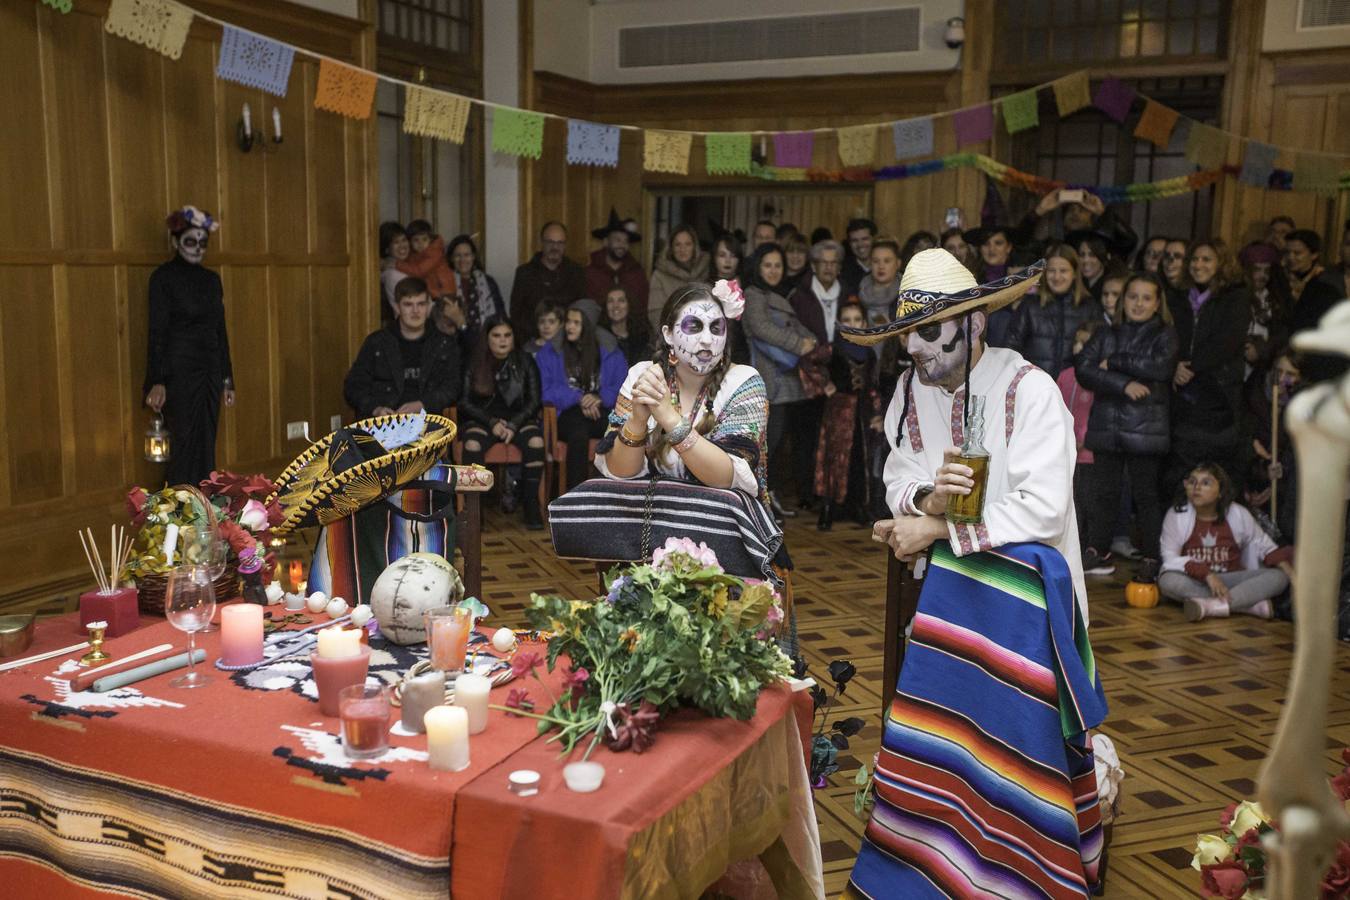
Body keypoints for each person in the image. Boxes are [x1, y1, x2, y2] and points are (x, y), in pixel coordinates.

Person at [848, 248, 1105, 899]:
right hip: (947, 592)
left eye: (932, 335)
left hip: (1029, 596)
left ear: (977, 324)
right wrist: (923, 503)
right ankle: (929, 843)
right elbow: (897, 475)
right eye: (908, 338)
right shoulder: (911, 390)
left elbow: (1044, 511)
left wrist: (937, 530)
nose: (919, 353)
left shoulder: (1031, 391)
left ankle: (1019, 854)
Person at [595, 280, 773, 516]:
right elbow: (619, 473)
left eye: (716, 328)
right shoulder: (644, 376)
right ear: (668, 334)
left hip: (726, 528)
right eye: (694, 326)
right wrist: (637, 420)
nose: (707, 339)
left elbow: (724, 477)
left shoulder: (743, 382)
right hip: (652, 525)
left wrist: (669, 418)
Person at [1075, 272, 1179, 577]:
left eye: (1146, 298)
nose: (1138, 303)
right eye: (1132, 297)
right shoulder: (1107, 332)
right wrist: (1124, 385)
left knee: (1145, 496)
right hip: (1107, 426)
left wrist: (1116, 361)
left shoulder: (1165, 333)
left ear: (1158, 303)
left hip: (1146, 429)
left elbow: (1161, 367)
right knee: (1103, 494)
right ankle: (1098, 549)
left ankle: (1151, 557)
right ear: (1123, 301)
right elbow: (1083, 368)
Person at [143, 205, 235, 487]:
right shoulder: (163, 278)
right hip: (179, 373)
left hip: (209, 371)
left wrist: (227, 380)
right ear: (175, 241)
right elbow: (157, 332)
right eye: (190, 242)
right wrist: (156, 381)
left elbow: (220, 331)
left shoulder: (211, 280)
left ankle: (204, 506)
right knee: (182, 444)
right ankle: (179, 509)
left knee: (207, 442)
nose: (197, 249)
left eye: (202, 243)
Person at [1164, 240, 1252, 494]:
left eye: (1206, 259)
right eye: (1194, 260)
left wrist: (1190, 367)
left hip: (1218, 396)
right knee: (1180, 472)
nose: (1198, 265)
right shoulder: (1177, 296)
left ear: (1221, 263)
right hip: (1183, 397)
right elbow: (1169, 335)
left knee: (1217, 473)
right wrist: (1175, 365)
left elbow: (1228, 340)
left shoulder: (1235, 296)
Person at [1160, 462, 1294, 621]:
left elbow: (1266, 548)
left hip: (1232, 580)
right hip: (1198, 581)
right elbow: (1170, 559)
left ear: (1221, 491)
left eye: (1206, 483)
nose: (1196, 487)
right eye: (1192, 482)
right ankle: (1246, 605)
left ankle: (1211, 607)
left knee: (1279, 577)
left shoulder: (1238, 513)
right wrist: (1207, 575)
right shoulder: (1176, 515)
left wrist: (1293, 578)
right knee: (1167, 580)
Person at [741, 243, 817, 519]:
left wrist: (814, 341)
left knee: (775, 446)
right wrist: (800, 344)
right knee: (765, 446)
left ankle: (767, 497)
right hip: (767, 381)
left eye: (778, 265)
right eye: (768, 265)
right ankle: (758, 503)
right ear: (758, 267)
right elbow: (761, 328)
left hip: (783, 381)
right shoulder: (753, 294)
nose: (773, 270)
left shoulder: (775, 294)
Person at [459, 316, 545, 529]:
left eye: (507, 335)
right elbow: (463, 402)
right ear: (487, 338)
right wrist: (492, 422)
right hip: (482, 420)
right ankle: (474, 510)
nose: (502, 340)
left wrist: (513, 424)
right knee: (472, 445)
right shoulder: (474, 360)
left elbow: (535, 401)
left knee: (536, 442)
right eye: (496, 336)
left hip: (519, 419)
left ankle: (531, 505)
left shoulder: (525, 360)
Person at [535, 300, 627, 491]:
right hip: (566, 413)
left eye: (576, 323)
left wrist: (600, 396)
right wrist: (579, 398)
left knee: (616, 431)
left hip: (601, 409)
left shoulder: (610, 351)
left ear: (588, 326)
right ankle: (575, 498)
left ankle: (608, 495)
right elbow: (544, 390)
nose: (569, 326)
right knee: (578, 434)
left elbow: (624, 386)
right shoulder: (550, 351)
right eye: (568, 321)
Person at [344, 277, 461, 419]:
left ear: (428, 306)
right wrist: (375, 408)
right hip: (385, 423)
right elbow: (353, 386)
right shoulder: (377, 342)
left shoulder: (444, 344)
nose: (415, 311)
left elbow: (453, 387)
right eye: (408, 304)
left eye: (421, 304)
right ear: (397, 306)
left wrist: (423, 404)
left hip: (428, 423)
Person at [814, 301, 878, 531]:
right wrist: (825, 384)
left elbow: (872, 383)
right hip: (839, 411)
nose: (853, 325)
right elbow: (808, 361)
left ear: (864, 323)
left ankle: (857, 507)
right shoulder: (833, 349)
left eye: (857, 320)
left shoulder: (869, 352)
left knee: (859, 460)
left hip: (861, 412)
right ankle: (828, 508)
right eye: (847, 320)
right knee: (835, 459)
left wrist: (876, 410)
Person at [1005, 243, 1104, 376]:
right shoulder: (1030, 305)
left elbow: (1099, 350)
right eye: (1052, 271)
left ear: (1075, 273)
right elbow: (1011, 349)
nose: (1057, 277)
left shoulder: (1089, 307)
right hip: (1036, 388)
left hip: (1074, 389)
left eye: (1063, 271)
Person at [1059, 320, 1101, 543]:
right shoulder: (1065, 375)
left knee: (1088, 502)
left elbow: (1097, 413)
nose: (1078, 347)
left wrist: (1084, 439)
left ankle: (1087, 545)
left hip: (1088, 454)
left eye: (1085, 343)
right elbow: (1057, 411)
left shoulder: (1097, 379)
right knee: (1069, 500)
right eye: (1076, 342)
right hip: (1066, 453)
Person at [510, 221, 586, 341]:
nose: (555, 247)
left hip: (569, 344)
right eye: (550, 242)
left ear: (565, 245)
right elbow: (516, 314)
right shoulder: (524, 273)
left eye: (560, 243)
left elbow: (582, 311)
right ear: (542, 243)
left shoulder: (577, 273)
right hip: (532, 342)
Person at [447, 234, 506, 354]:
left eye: (467, 255)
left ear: (473, 257)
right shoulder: (445, 283)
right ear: (451, 259)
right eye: (458, 256)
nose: (462, 260)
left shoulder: (488, 282)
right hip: (455, 348)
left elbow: (500, 315)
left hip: (487, 348)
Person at [585, 209, 649, 318]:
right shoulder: (590, 273)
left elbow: (642, 307)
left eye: (625, 241)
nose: (622, 245)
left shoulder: (637, 274)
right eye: (617, 240)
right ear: (606, 242)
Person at [396, 220, 458, 331]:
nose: (420, 244)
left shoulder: (435, 252)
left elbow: (419, 271)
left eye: (424, 239)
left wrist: (397, 264)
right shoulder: (416, 254)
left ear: (430, 239)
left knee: (443, 327)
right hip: (433, 295)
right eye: (416, 240)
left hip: (444, 295)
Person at [647, 225, 709, 332]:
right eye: (677, 244)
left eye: (687, 244)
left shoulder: (707, 270)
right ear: (671, 248)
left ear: (694, 247)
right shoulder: (659, 275)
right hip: (672, 337)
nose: (682, 249)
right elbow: (655, 314)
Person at [790, 239, 844, 345]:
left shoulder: (848, 295)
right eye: (824, 262)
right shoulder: (798, 296)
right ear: (814, 266)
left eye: (833, 263)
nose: (829, 267)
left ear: (839, 268)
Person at [855, 237, 902, 329]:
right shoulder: (856, 292)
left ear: (898, 264)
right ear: (870, 263)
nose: (881, 266)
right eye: (876, 261)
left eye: (887, 261)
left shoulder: (909, 295)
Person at [600, 286, 650, 365]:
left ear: (629, 305)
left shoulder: (642, 338)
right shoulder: (600, 338)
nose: (615, 305)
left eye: (621, 301)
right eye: (610, 301)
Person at [379, 221, 410, 320]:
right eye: (396, 242)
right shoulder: (393, 275)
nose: (402, 246)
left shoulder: (410, 265)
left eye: (404, 240)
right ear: (387, 249)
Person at [840, 217, 876, 296]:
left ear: (874, 239)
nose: (860, 244)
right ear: (849, 243)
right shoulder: (843, 272)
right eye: (854, 240)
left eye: (865, 239)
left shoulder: (886, 267)